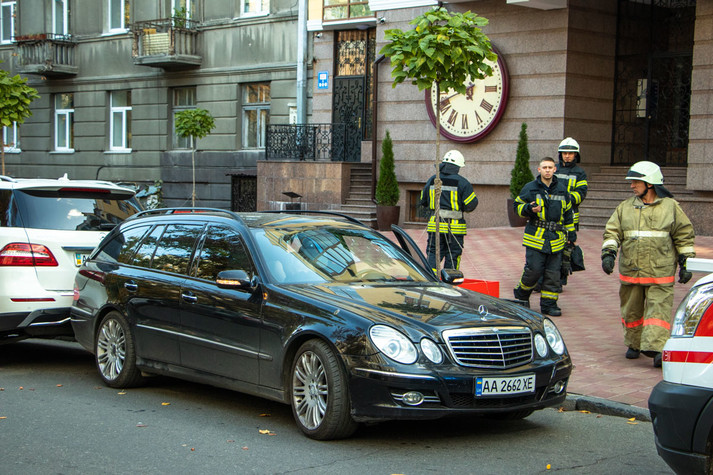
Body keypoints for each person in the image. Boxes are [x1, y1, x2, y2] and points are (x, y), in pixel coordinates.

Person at [601, 161, 695, 368]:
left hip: (660, 272)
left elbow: (684, 235)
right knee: (631, 312)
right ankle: (634, 344)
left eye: (636, 182)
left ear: (650, 183)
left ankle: (656, 348)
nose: (632, 186)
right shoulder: (625, 207)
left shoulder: (671, 207)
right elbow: (612, 232)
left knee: (658, 312)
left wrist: (686, 262)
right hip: (631, 271)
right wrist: (608, 253)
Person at [513, 156, 576, 317]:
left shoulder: (562, 190)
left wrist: (571, 235)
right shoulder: (530, 188)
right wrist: (528, 209)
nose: (547, 170)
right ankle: (522, 295)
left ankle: (549, 305)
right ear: (539, 169)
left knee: (553, 275)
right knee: (534, 271)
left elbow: (568, 214)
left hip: (556, 239)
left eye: (550, 167)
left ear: (555, 169)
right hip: (535, 238)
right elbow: (517, 206)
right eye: (544, 167)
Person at [419, 150, 478, 275]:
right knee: (453, 255)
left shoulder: (432, 180)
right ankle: (450, 282)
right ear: (457, 166)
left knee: (433, 253)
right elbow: (471, 205)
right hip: (454, 228)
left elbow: (423, 201)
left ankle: (430, 279)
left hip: (435, 226)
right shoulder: (463, 183)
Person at [555, 137, 588, 286]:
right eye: (564, 153)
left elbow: (580, 194)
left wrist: (564, 198)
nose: (567, 156)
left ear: (576, 155)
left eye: (570, 153)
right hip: (553, 215)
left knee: (566, 249)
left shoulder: (580, 173)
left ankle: (561, 278)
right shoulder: (554, 169)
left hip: (570, 217)